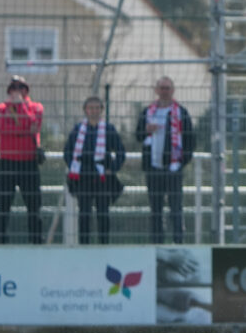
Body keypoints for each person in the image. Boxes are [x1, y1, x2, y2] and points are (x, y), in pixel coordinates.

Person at [135, 76, 194, 245]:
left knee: (176, 208)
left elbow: (190, 140)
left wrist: (181, 162)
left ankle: (178, 242)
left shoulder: (181, 112)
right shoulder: (148, 112)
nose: (164, 91)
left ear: (172, 90)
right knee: (156, 209)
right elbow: (138, 136)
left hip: (174, 168)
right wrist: (146, 130)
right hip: (153, 168)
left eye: (167, 88)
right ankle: (156, 243)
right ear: (156, 90)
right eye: (161, 88)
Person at [62, 96, 126, 245]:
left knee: (103, 212)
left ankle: (104, 244)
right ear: (85, 110)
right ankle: (84, 245)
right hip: (83, 177)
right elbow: (68, 152)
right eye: (91, 108)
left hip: (102, 176)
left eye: (97, 108)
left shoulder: (108, 129)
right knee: (84, 213)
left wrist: (112, 169)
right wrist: (74, 167)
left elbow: (120, 152)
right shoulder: (78, 130)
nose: (94, 111)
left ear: (101, 110)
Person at [0, 75, 44, 244]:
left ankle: (35, 242)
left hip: (28, 163)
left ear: (26, 90)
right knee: (2, 206)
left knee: (34, 207)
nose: (17, 92)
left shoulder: (36, 107)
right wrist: (22, 127)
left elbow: (32, 124)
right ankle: (0, 242)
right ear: (9, 91)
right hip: (7, 162)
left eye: (21, 88)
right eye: (14, 88)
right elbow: (2, 129)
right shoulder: (1, 108)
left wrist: (20, 106)